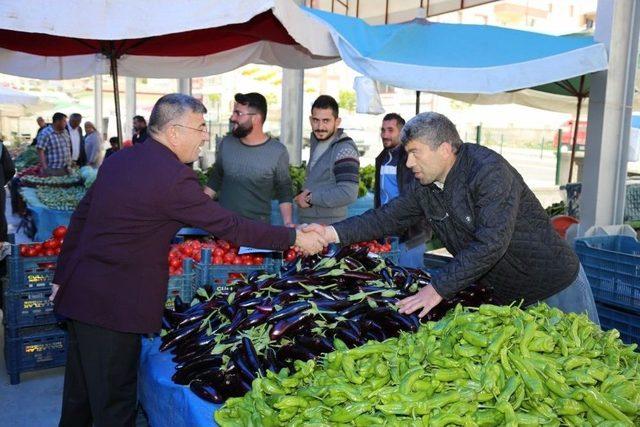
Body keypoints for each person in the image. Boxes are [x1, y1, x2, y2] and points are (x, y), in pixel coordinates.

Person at [50, 93, 325, 426]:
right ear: (175, 132)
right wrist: (294, 237)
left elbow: (81, 217)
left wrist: (61, 277)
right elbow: (231, 226)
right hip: (114, 308)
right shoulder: (172, 176)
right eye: (200, 127)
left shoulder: (120, 159)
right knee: (114, 408)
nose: (205, 135)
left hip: (80, 294)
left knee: (79, 402)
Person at [305, 112, 599, 324]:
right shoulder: (426, 186)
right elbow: (387, 217)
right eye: (407, 154)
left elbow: (491, 243)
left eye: (415, 153)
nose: (409, 163)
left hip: (554, 285)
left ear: (445, 149)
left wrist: (437, 289)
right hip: (510, 296)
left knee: (586, 369)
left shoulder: (489, 173)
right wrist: (329, 233)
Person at [204, 93, 294, 226]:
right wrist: (197, 209)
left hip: (258, 230)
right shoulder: (226, 143)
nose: (232, 117)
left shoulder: (277, 151)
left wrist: (288, 222)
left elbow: (284, 189)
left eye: (238, 113)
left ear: (256, 119)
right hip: (224, 227)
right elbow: (215, 178)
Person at [294, 95, 360, 225]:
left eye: (326, 121)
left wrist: (309, 198)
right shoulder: (317, 141)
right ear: (310, 120)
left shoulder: (344, 150)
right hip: (311, 224)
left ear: (337, 121)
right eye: (316, 120)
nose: (320, 126)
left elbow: (348, 193)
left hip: (329, 228)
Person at [374, 113, 429, 268]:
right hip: (388, 231)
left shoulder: (411, 160)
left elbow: (415, 200)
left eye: (390, 130)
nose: (385, 135)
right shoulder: (381, 158)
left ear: (402, 132)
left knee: (410, 278)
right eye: (383, 130)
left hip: (411, 235)